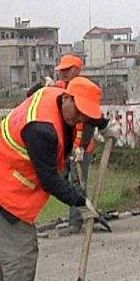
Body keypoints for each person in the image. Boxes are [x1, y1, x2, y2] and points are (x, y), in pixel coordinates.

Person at [0, 77, 118, 281]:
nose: (80, 119)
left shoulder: (58, 95)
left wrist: (103, 124)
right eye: (79, 112)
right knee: (21, 246)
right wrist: (80, 201)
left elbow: (84, 112)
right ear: (68, 98)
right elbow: (50, 179)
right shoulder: (42, 129)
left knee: (5, 244)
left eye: (86, 115)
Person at [27, 55, 97, 233]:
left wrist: (81, 146)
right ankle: (81, 214)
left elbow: (90, 121)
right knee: (61, 180)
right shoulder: (58, 89)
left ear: (77, 70)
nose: (64, 73)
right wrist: (42, 85)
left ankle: (76, 222)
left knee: (78, 182)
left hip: (82, 147)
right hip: (63, 146)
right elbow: (30, 96)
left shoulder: (86, 89)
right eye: (62, 70)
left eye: (68, 70)